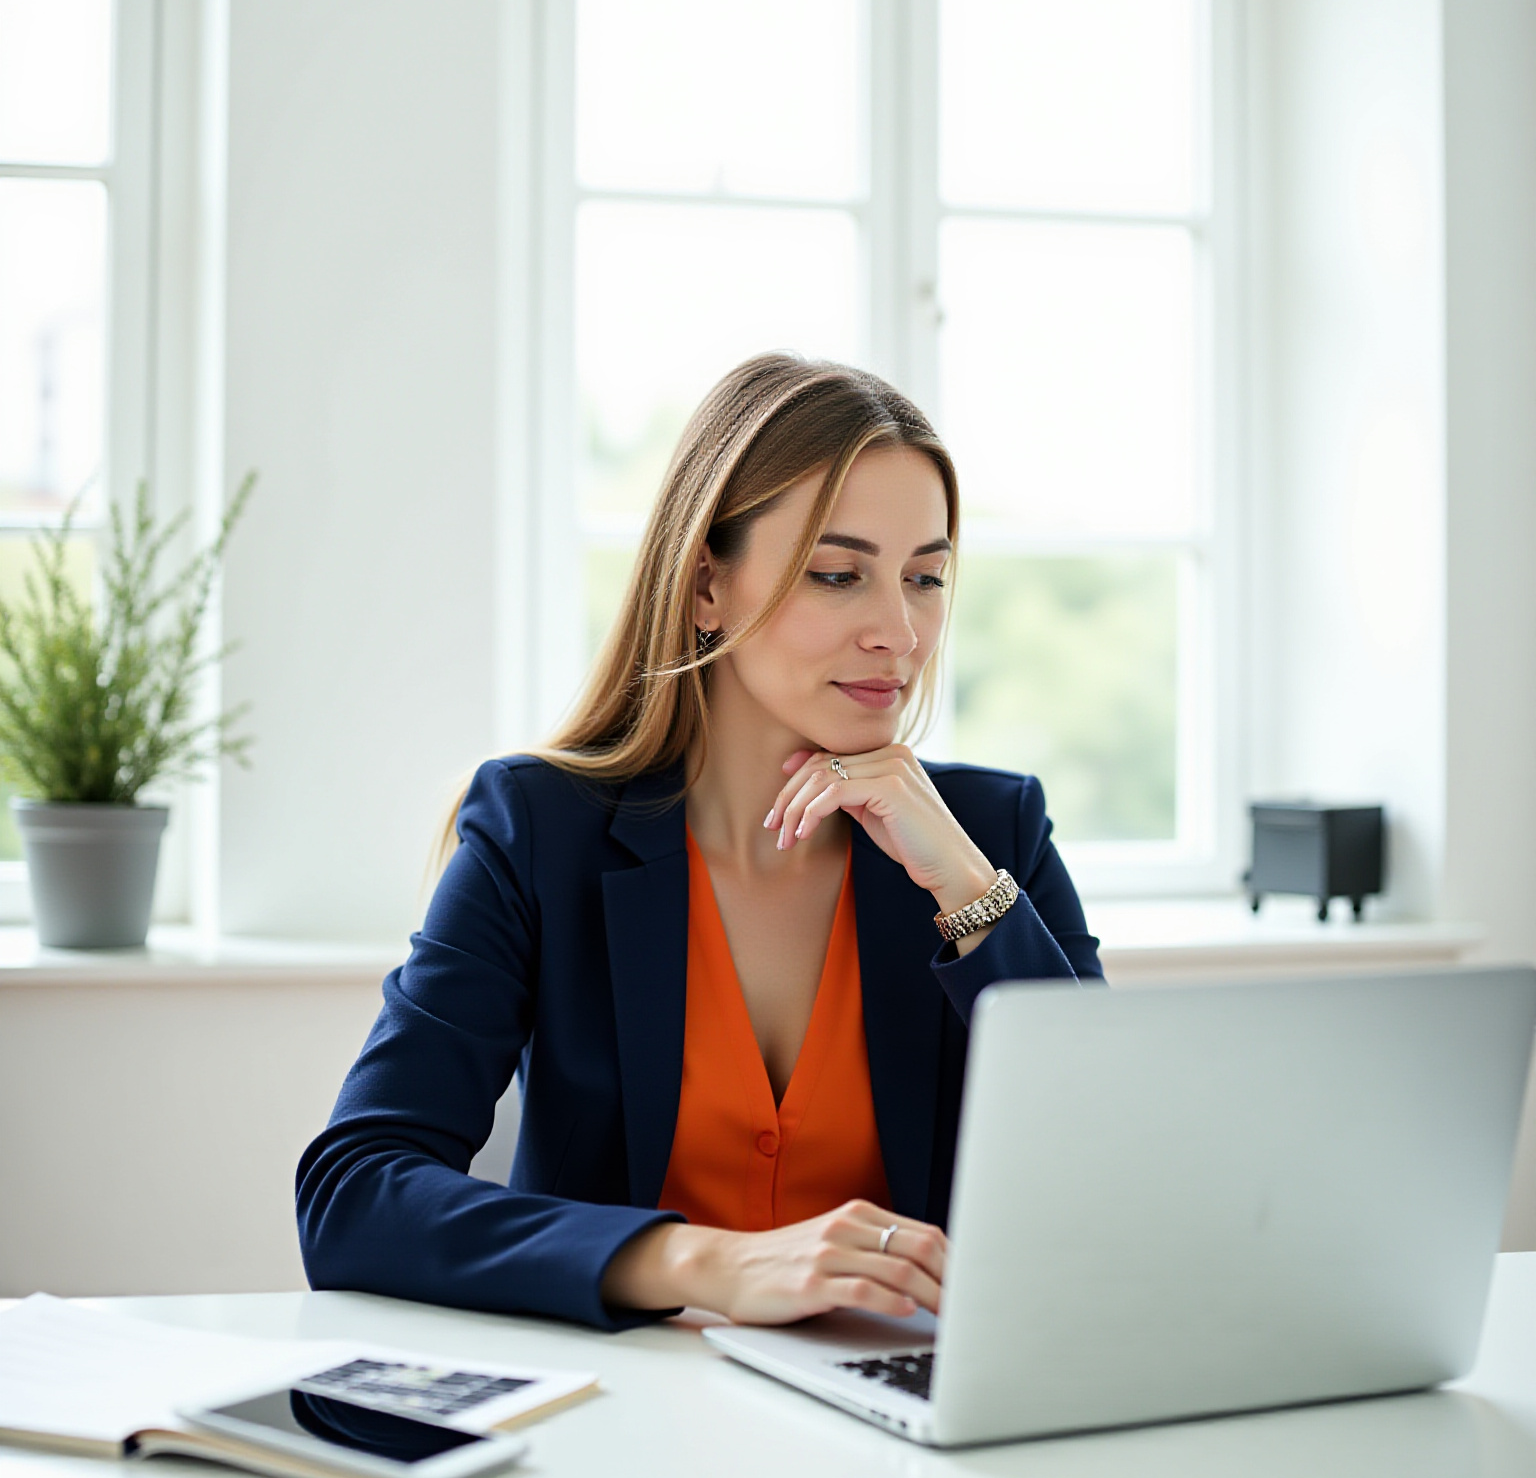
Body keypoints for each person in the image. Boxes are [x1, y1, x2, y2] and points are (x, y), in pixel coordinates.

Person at [297, 355, 1102, 1332]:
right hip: (622, 1417)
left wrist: (968, 888)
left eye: (925, 578)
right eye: (838, 573)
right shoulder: (534, 830)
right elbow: (353, 1193)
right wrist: (700, 1258)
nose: (899, 629)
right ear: (706, 586)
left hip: (910, 1427)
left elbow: (1108, 1185)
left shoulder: (993, 835)